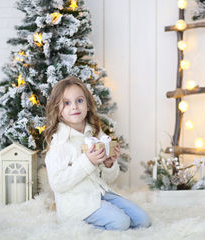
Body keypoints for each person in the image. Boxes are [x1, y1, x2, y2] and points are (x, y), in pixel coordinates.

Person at [44, 76, 151, 231]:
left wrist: (108, 164)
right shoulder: (60, 143)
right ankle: (79, 228)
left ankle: (107, 217)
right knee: (121, 223)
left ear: (87, 105)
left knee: (143, 220)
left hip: (99, 193)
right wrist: (88, 161)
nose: (74, 106)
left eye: (79, 101)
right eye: (67, 103)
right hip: (76, 202)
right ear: (59, 112)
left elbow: (108, 179)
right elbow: (57, 183)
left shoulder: (94, 133)